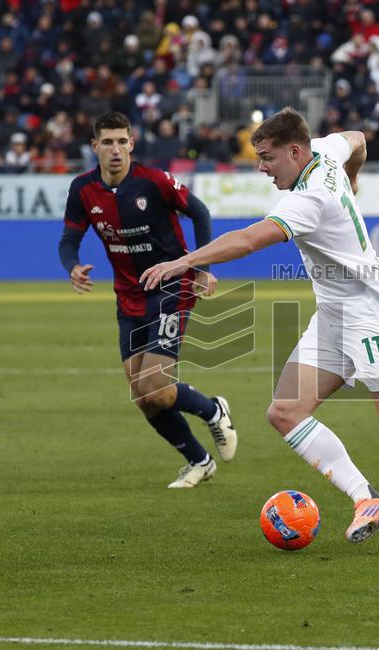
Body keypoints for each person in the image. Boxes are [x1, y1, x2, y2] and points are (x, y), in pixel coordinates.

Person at [141, 107, 379, 552]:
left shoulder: (309, 199)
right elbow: (357, 138)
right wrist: (353, 179)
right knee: (285, 412)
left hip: (374, 318)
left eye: (267, 157)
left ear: (294, 151)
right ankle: (367, 499)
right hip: (334, 317)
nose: (261, 167)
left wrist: (185, 261)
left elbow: (247, 240)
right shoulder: (324, 150)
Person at [58, 111, 237, 489]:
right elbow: (69, 239)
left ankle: (212, 410)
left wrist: (201, 266)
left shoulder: (154, 181)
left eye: (122, 141)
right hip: (129, 297)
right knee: (144, 397)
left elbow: (200, 212)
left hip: (172, 288)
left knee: (153, 384)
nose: (116, 150)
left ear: (132, 144)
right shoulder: (83, 189)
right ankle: (200, 460)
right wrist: (72, 266)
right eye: (108, 142)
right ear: (95, 146)